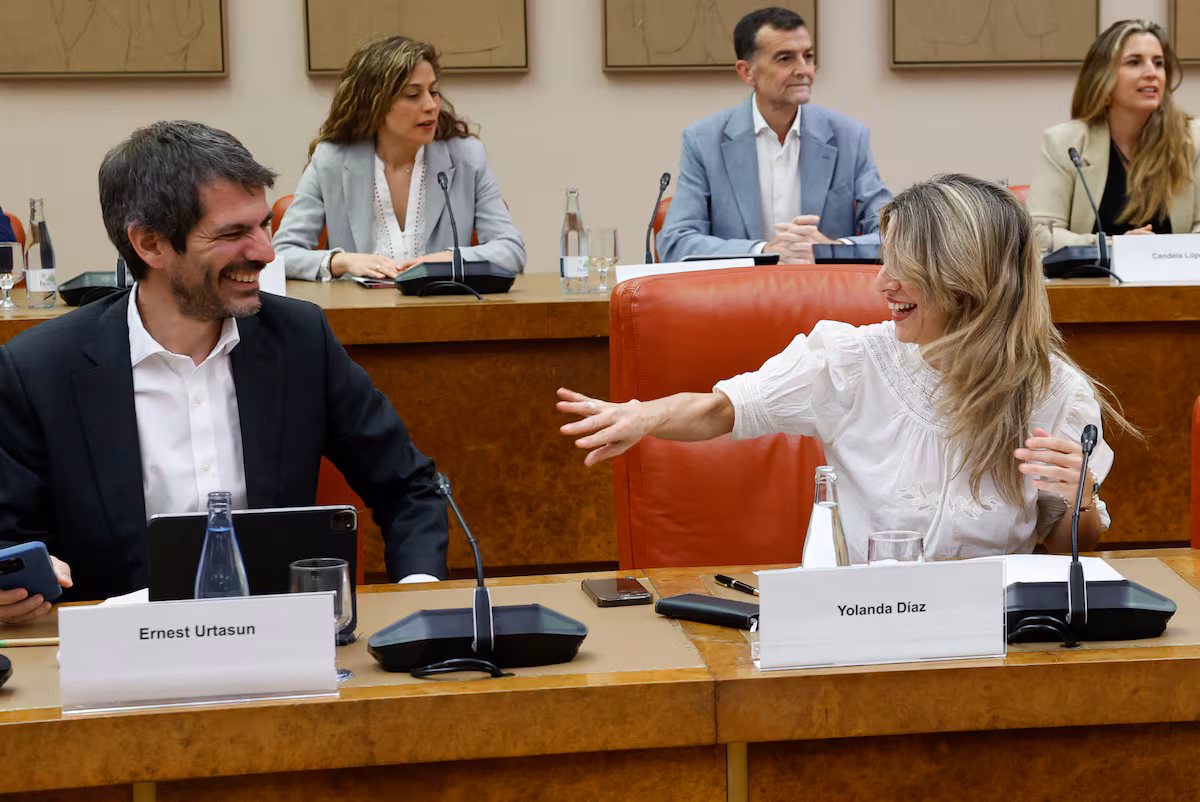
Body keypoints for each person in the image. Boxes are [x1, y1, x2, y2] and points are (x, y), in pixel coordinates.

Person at [0, 121, 449, 623]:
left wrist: (419, 595)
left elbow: (410, 487)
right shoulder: (40, 370)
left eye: (263, 226)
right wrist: (15, 588)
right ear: (150, 244)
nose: (265, 252)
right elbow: (10, 540)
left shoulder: (300, 341)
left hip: (281, 641)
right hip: (115, 649)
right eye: (233, 234)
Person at [560, 174, 1136, 562]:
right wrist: (643, 415)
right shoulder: (851, 360)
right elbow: (721, 410)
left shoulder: (1055, 392)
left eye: (905, 267)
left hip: (998, 638)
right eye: (885, 260)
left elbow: (1068, 550)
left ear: (967, 278)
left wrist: (1081, 498)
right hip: (871, 623)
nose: (882, 283)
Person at [273, 35, 525, 281]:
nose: (431, 105)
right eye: (413, 94)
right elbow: (282, 253)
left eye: (434, 91)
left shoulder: (467, 156)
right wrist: (342, 261)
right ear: (375, 102)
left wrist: (449, 260)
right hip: (357, 306)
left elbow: (511, 250)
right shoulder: (332, 160)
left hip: (442, 304)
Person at [657, 7, 891, 265]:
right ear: (747, 72)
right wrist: (763, 251)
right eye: (785, 59)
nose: (803, 69)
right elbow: (675, 242)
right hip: (740, 288)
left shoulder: (849, 137)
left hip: (823, 288)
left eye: (808, 56)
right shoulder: (704, 141)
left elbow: (893, 235)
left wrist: (831, 248)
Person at [1028, 19, 1200, 252]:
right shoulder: (1066, 143)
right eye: (1134, 62)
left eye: (1158, 63)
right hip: (1093, 275)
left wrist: (1161, 250)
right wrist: (1114, 246)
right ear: (1102, 75)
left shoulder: (1194, 139)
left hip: (1177, 276)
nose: (1152, 73)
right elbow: (1039, 234)